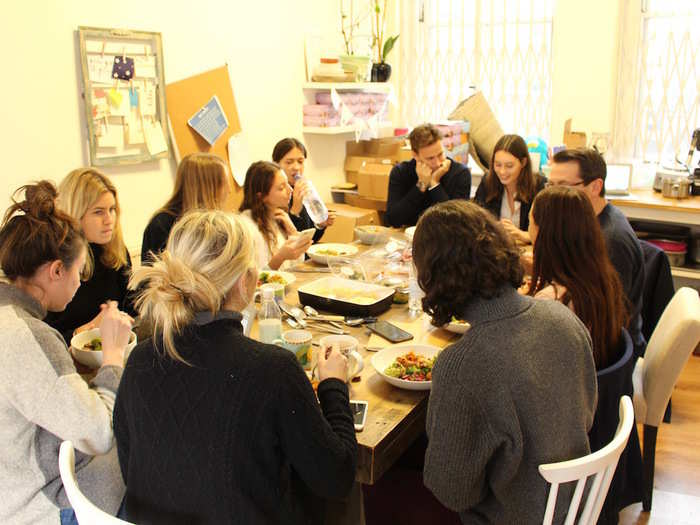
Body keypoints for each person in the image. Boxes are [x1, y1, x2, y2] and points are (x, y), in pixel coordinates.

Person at [115, 210, 357, 524]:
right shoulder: (272, 370)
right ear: (247, 282)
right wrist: (333, 386)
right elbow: (337, 478)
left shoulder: (139, 361)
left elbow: (130, 466)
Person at [413, 200, 597, 524]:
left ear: (433, 275)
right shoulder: (563, 317)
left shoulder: (461, 365)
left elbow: (452, 493)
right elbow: (588, 414)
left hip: (513, 515)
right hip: (570, 503)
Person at [0, 181, 132, 524]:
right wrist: (114, 355)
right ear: (57, 271)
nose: (79, 283)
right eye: (78, 272)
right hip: (33, 506)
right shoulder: (27, 336)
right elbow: (99, 433)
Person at [548, 148, 645, 356]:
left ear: (595, 186)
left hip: (606, 356)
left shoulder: (611, 240)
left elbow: (607, 321)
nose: (551, 194)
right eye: (550, 185)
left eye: (563, 186)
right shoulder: (588, 223)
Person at [526, 186, 628, 369]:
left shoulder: (553, 301)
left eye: (530, 222)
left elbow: (532, 364)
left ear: (543, 231)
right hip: (590, 377)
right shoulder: (600, 276)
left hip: (562, 389)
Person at [44, 168, 135, 343]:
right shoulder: (53, 261)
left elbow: (130, 309)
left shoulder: (115, 251)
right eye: (98, 212)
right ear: (75, 214)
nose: (109, 220)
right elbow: (43, 341)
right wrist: (86, 331)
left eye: (112, 209)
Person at [141, 153, 232, 264]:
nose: (229, 190)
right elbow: (151, 278)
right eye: (225, 183)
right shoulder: (162, 226)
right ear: (208, 188)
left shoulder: (216, 226)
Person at [385, 123, 471, 227]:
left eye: (440, 154)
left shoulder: (461, 173)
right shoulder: (400, 172)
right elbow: (393, 220)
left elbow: (456, 223)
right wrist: (421, 184)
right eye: (430, 158)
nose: (438, 163)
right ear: (415, 155)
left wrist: (434, 183)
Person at [473, 134, 546, 245]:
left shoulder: (538, 186)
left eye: (509, 166)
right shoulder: (487, 182)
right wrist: (493, 229)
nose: (502, 172)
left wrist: (521, 234)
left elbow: (547, 234)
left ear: (523, 163)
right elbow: (475, 222)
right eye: (498, 165)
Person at [239, 160, 312, 270]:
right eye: (281, 188)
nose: (290, 190)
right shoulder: (246, 227)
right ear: (262, 196)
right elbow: (255, 280)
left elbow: (296, 265)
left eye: (287, 183)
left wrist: (293, 233)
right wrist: (280, 257)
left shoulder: (279, 217)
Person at [272, 137, 336, 242]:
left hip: (303, 255)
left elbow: (309, 239)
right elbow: (282, 241)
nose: (296, 167)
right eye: (289, 162)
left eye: (300, 161)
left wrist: (320, 225)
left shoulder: (305, 190)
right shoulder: (273, 195)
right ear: (276, 164)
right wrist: (295, 211)